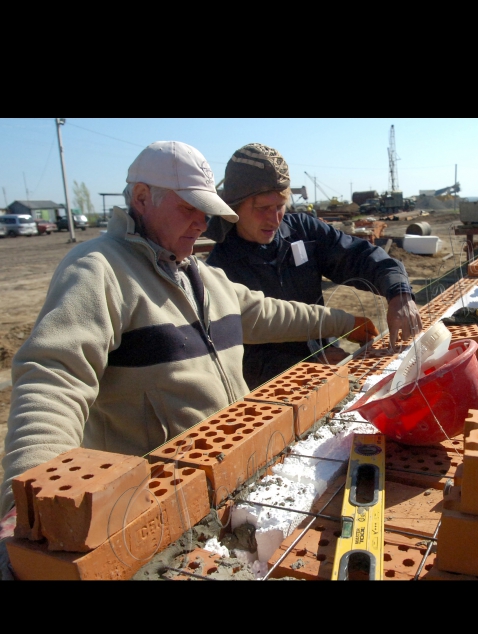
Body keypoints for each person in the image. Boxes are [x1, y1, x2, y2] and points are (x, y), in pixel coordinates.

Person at [0, 141, 371, 526]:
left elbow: (265, 314)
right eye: (188, 208)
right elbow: (53, 378)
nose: (202, 223)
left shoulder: (198, 273)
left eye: (206, 211)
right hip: (154, 505)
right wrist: (28, 499)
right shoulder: (99, 271)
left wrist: (344, 322)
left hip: (229, 481)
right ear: (142, 198)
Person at [205, 143, 423, 390]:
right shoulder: (219, 270)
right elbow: (235, 359)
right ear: (233, 207)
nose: (274, 219)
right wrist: (306, 364)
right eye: (262, 208)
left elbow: (360, 256)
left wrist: (399, 293)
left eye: (279, 206)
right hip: (276, 393)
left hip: (328, 369)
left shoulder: (302, 231)